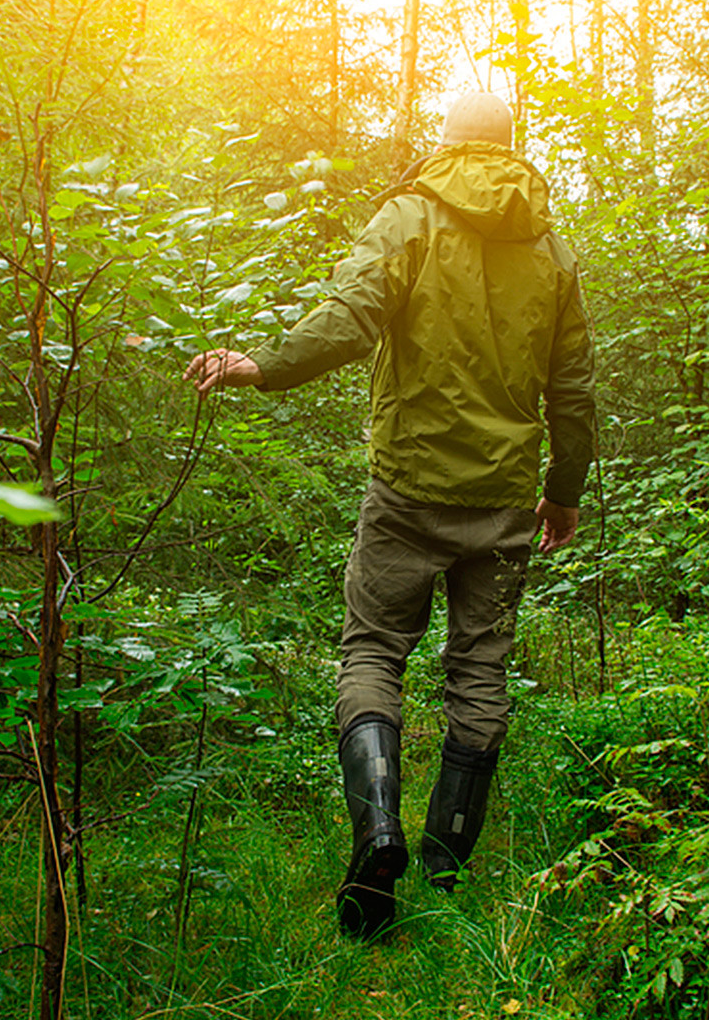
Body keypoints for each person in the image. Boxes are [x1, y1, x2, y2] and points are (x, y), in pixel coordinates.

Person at [185, 91, 597, 939]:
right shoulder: (551, 248)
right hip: (506, 497)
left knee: (374, 649)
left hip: (409, 487)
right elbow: (575, 389)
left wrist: (262, 365)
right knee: (479, 671)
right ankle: (446, 865)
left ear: (445, 142)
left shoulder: (409, 219)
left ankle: (377, 832)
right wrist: (565, 488)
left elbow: (351, 317)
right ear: (512, 147)